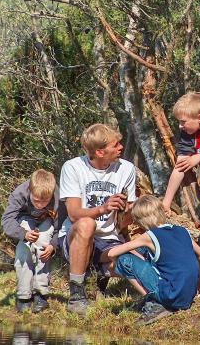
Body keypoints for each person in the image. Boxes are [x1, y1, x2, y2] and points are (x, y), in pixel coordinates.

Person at [58, 123, 136, 315]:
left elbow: (124, 220)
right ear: (100, 152)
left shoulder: (126, 169)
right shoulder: (73, 167)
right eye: (115, 145)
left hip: (109, 239)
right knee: (86, 223)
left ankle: (96, 274)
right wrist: (103, 208)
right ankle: (76, 294)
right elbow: (74, 214)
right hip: (77, 237)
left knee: (134, 263)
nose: (121, 147)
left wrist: (128, 212)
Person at [106, 195, 200, 325]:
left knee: (123, 260)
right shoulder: (182, 231)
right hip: (188, 296)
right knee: (146, 251)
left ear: (140, 221)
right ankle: (158, 298)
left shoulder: (149, 236)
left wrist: (115, 263)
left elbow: (111, 253)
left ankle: (154, 301)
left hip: (171, 296)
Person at [2, 169, 65, 313]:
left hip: (48, 222)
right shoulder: (20, 193)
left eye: (45, 201)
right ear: (30, 190)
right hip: (25, 221)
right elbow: (7, 221)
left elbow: (60, 228)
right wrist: (23, 234)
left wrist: (53, 245)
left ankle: (40, 294)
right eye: (36, 200)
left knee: (43, 245)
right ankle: (24, 296)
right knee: (23, 249)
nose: (40, 205)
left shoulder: (58, 198)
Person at [162, 93, 200, 216]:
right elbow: (180, 167)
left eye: (183, 122)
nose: (180, 126)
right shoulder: (188, 133)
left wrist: (199, 156)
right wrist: (166, 203)